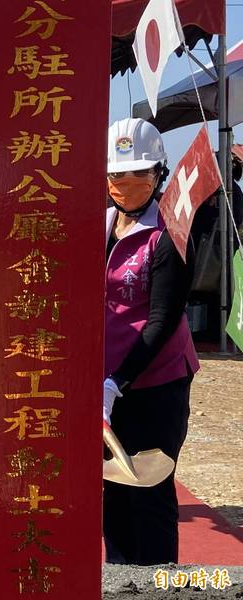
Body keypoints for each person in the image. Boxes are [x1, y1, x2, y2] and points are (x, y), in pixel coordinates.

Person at [102, 118, 200, 566]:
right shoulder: (99, 224)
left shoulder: (170, 232)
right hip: (105, 384)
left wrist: (117, 381)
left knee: (149, 495)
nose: (126, 184)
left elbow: (162, 319)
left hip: (155, 383)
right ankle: (120, 582)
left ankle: (161, 587)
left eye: (139, 173)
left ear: (158, 173)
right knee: (110, 494)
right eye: (117, 175)